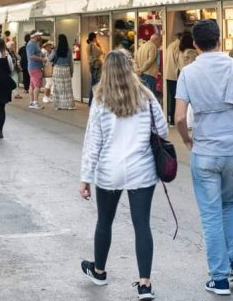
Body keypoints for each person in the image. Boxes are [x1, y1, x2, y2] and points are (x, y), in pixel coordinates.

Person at [174, 19, 233, 295]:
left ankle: (219, 276)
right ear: (220, 40)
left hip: (206, 150)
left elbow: (178, 117)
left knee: (211, 213)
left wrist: (187, 138)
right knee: (227, 205)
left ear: (196, 44)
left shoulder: (189, 72)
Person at [79, 49, 168, 301]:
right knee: (142, 225)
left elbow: (93, 141)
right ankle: (145, 284)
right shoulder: (146, 95)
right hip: (142, 169)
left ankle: (99, 271)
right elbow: (162, 129)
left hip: (109, 171)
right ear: (130, 68)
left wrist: (85, 177)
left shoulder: (100, 98)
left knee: (104, 221)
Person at [50, 34, 75, 110]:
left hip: (57, 69)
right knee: (67, 88)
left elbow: (49, 58)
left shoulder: (55, 50)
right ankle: (69, 105)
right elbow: (71, 62)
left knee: (57, 87)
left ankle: (57, 105)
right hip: (66, 69)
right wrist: (71, 71)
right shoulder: (69, 50)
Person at [163, 32, 182, 125]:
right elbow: (179, 62)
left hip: (168, 74)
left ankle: (170, 118)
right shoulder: (179, 46)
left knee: (171, 97)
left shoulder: (170, 45)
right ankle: (174, 119)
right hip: (175, 75)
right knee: (176, 97)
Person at [27, 30, 46, 109]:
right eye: (38, 35)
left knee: (32, 85)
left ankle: (32, 102)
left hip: (33, 67)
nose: (39, 36)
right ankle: (35, 102)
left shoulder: (35, 43)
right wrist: (42, 59)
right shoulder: (31, 44)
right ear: (34, 36)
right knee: (37, 85)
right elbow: (31, 56)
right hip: (35, 67)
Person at [87, 32, 104, 107]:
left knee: (93, 84)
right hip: (96, 66)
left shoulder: (88, 45)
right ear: (94, 38)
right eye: (96, 37)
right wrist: (99, 44)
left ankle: (91, 102)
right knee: (96, 83)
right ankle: (94, 102)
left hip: (92, 65)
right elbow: (101, 52)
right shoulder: (93, 45)